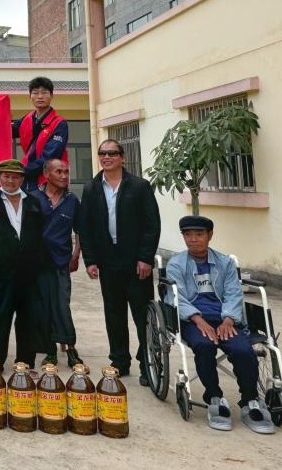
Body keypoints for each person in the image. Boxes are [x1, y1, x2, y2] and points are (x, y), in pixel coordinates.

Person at [166, 215, 276, 434]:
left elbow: (234, 294)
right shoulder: (176, 264)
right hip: (192, 320)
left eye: (199, 234)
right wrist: (198, 320)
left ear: (210, 236)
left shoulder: (225, 263)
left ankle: (250, 401)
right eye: (188, 235)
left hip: (225, 318)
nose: (193, 239)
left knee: (243, 349)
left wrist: (228, 320)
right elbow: (177, 298)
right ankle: (215, 398)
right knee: (204, 345)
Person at [80, 138, 161, 385]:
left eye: (112, 153)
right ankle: (119, 361)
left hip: (136, 264)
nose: (107, 157)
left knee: (142, 316)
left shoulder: (139, 186)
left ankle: (148, 364)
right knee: (114, 316)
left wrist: (145, 258)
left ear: (122, 157)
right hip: (108, 264)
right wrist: (90, 260)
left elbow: (151, 225)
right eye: (102, 153)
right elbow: (86, 228)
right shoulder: (91, 188)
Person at [0, 159, 47, 371]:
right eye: (6, 176)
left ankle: (25, 362)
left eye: (15, 177)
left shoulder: (33, 202)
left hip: (27, 273)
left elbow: (40, 236)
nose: (10, 181)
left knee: (27, 317)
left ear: (22, 179)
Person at [30, 159, 82, 368]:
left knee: (62, 305)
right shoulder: (34, 198)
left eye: (66, 172)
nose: (63, 176)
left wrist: (76, 255)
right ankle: (50, 350)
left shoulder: (72, 200)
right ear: (47, 174)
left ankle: (71, 348)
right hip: (38, 263)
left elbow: (80, 230)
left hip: (61, 261)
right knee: (43, 307)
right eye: (58, 171)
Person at [12, 77, 68, 192]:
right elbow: (7, 131)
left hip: (49, 180)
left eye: (44, 92)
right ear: (30, 96)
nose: (40, 96)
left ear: (51, 95)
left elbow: (51, 157)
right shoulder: (27, 119)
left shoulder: (59, 123)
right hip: (27, 178)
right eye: (35, 93)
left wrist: (23, 170)